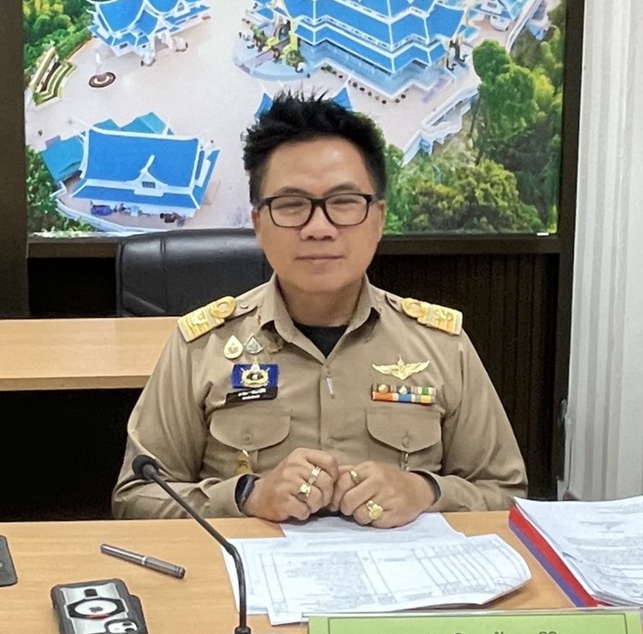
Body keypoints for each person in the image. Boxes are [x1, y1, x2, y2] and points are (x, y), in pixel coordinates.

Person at [112, 96, 527, 526]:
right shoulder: (203, 347)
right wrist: (246, 496)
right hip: (250, 568)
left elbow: (504, 491)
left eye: (344, 202)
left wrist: (426, 491)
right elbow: (136, 498)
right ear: (258, 224)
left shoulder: (441, 346)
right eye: (292, 205)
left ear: (379, 218)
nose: (319, 228)